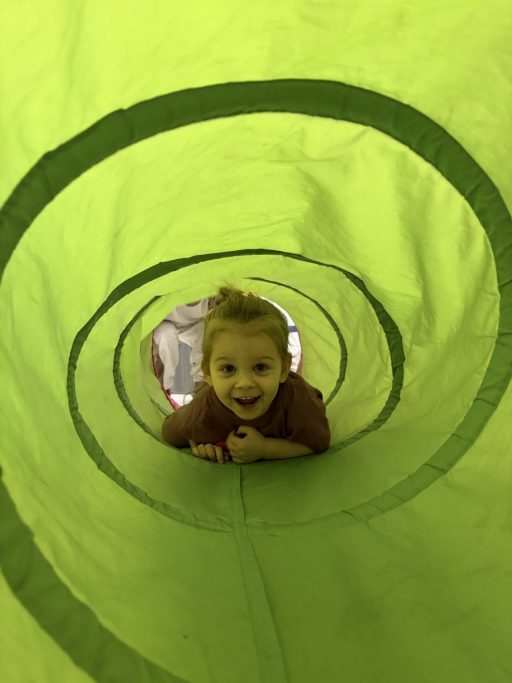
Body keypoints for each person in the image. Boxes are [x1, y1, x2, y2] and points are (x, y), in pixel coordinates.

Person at [161, 284, 331, 465]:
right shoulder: (204, 408)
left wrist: (265, 448)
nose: (244, 383)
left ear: (283, 369)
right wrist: (200, 443)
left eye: (260, 367)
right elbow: (169, 432)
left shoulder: (299, 400)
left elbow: (319, 442)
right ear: (208, 373)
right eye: (229, 369)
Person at [152, 297, 219, 396]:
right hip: (164, 321)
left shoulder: (211, 296)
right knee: (167, 337)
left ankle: (202, 387)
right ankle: (163, 391)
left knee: (207, 334)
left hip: (193, 323)